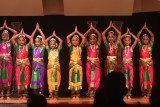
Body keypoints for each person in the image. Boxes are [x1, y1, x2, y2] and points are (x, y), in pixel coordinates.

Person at [11, 28, 31, 100]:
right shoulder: (16, 46)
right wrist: (19, 34)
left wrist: (25, 34)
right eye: (20, 40)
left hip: (25, 64)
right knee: (18, 79)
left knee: (26, 79)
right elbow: (12, 39)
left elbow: (31, 39)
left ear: (25, 41)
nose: (21, 41)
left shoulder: (27, 47)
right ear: (18, 41)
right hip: (18, 64)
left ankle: (25, 94)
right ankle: (20, 95)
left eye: (23, 40)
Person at [66, 26, 85, 100]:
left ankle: (78, 93)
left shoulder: (80, 47)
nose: (74, 41)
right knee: (72, 78)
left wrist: (78, 33)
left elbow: (84, 38)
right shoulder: (71, 47)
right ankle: (73, 93)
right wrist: (74, 32)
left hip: (79, 64)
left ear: (78, 41)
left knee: (79, 78)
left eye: (76, 40)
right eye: (73, 40)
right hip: (72, 64)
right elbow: (67, 38)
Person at [0, 20, 17, 100]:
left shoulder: (10, 42)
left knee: (8, 76)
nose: (4, 36)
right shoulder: (0, 42)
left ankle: (8, 94)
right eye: (3, 34)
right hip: (0, 60)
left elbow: (15, 33)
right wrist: (2, 27)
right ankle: (2, 94)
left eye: (6, 34)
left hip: (8, 61)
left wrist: (7, 27)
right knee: (1, 76)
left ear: (8, 36)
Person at [137, 22, 154, 99]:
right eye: (144, 39)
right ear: (142, 40)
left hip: (149, 63)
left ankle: (149, 92)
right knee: (142, 77)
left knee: (149, 77)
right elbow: (137, 36)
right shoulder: (140, 45)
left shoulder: (150, 45)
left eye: (147, 39)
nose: (146, 40)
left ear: (149, 40)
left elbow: (153, 36)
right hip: (142, 63)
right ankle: (143, 93)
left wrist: (147, 29)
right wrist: (142, 29)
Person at [84, 23, 101, 98]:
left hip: (96, 62)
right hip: (89, 62)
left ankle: (96, 90)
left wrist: (94, 29)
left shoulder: (97, 45)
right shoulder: (87, 45)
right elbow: (84, 36)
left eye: (94, 39)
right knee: (89, 76)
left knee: (97, 76)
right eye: (90, 39)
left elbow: (100, 35)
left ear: (96, 40)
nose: (92, 40)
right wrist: (89, 29)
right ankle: (90, 90)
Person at [120, 27, 138, 99]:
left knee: (130, 78)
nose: (127, 41)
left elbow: (136, 39)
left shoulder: (131, 47)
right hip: (124, 65)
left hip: (130, 65)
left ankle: (129, 94)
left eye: (128, 40)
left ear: (130, 41)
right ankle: (124, 94)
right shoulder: (123, 47)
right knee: (124, 79)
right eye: (125, 40)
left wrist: (129, 33)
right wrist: (125, 34)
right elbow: (118, 39)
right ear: (124, 41)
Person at [45, 30, 63, 100]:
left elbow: (61, 41)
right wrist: (51, 36)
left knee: (57, 79)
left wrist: (55, 36)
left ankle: (55, 93)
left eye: (53, 44)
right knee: (50, 80)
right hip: (50, 67)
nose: (52, 45)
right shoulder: (48, 50)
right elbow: (46, 41)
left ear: (56, 45)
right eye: (51, 44)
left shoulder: (58, 50)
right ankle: (51, 93)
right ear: (49, 45)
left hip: (56, 66)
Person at [30, 23, 46, 96]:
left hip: (40, 64)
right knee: (35, 77)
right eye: (35, 42)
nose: (36, 43)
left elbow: (44, 37)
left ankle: (41, 91)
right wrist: (35, 30)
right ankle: (35, 92)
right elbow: (31, 38)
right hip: (34, 64)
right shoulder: (34, 47)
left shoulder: (42, 48)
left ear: (41, 42)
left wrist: (39, 29)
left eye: (38, 41)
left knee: (41, 77)